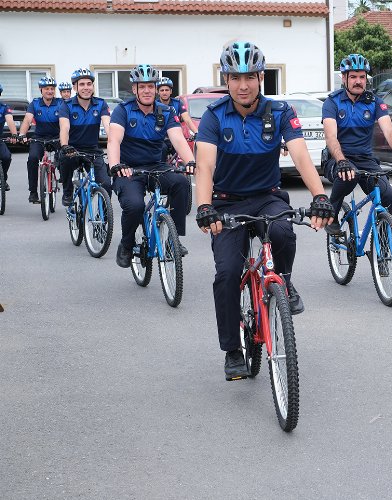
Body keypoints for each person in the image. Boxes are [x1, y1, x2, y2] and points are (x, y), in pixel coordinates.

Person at [194, 41, 334, 380]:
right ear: (226, 80)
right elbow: (205, 166)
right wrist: (204, 205)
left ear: (261, 78)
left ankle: (283, 281)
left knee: (284, 230)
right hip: (227, 202)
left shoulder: (281, 112)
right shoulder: (214, 117)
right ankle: (231, 350)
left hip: (267, 196)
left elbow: (301, 155)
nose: (244, 85)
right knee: (227, 273)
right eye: (236, 78)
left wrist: (319, 196)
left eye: (250, 77)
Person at [107, 64, 195, 268]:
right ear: (135, 89)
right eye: (142, 86)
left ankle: (173, 240)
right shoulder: (123, 110)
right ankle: (127, 244)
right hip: (128, 169)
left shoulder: (166, 110)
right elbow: (114, 140)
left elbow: (178, 140)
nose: (147, 90)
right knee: (135, 205)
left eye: (151, 86)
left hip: (157, 166)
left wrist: (190, 161)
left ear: (156, 89)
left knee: (181, 183)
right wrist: (116, 165)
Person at [321, 54, 392, 235]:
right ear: (344, 78)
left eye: (362, 77)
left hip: (366, 159)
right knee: (348, 176)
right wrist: (342, 161)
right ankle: (332, 214)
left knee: (387, 195)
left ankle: (383, 237)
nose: (358, 81)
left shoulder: (375, 103)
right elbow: (331, 136)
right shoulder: (332, 102)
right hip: (338, 158)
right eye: (353, 77)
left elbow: (389, 131)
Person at [58, 68, 111, 206]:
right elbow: (64, 127)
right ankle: (68, 192)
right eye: (82, 84)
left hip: (93, 150)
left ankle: (104, 218)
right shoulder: (66, 105)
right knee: (64, 160)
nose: (86, 87)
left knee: (106, 184)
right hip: (72, 149)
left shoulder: (101, 104)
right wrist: (64, 146)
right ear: (75, 87)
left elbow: (108, 126)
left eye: (89, 84)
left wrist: (116, 143)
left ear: (93, 86)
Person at [18, 77, 61, 203]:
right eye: (47, 89)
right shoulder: (35, 103)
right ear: (41, 90)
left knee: (65, 157)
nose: (50, 91)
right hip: (39, 138)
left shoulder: (60, 103)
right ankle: (33, 192)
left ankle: (66, 185)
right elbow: (27, 120)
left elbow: (66, 122)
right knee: (32, 159)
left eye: (52, 89)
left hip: (57, 138)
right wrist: (21, 134)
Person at [0, 83, 18, 190]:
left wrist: (14, 134)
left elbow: (10, 121)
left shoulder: (3, 108)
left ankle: (3, 179)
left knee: (6, 157)